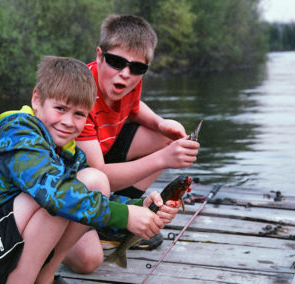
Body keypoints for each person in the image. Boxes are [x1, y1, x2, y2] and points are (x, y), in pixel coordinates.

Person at [0, 56, 181, 284]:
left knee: (94, 181)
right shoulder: (18, 134)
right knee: (56, 194)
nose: (68, 122)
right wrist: (124, 216)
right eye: (60, 108)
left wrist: (140, 209)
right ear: (37, 99)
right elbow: (54, 193)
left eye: (79, 114)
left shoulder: (67, 150)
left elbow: (88, 195)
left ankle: (44, 277)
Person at [73, 14, 200, 251]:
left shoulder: (129, 80)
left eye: (138, 67)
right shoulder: (80, 96)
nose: (126, 73)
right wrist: (164, 159)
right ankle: (114, 218)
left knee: (166, 137)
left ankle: (122, 215)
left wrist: (160, 124)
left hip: (102, 153)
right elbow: (98, 173)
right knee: (87, 260)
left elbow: (134, 107)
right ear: (99, 56)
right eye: (116, 62)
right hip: (77, 179)